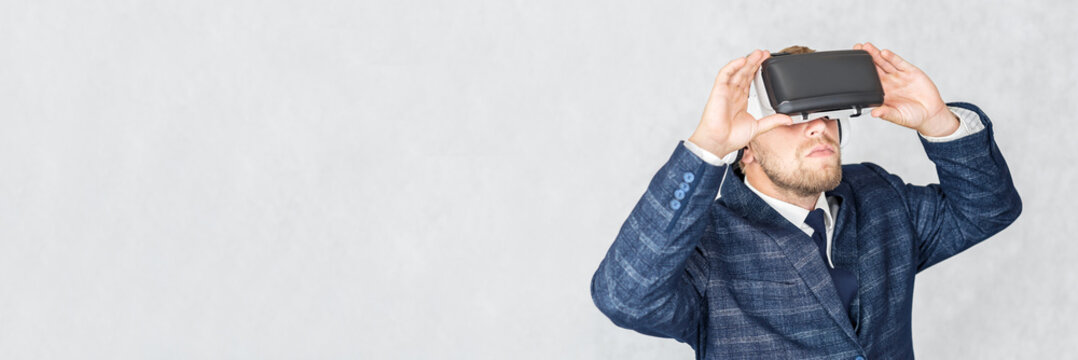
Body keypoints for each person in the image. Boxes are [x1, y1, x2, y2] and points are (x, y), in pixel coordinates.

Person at [590, 43, 1022, 359]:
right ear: (747, 147)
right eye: (796, 115)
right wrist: (707, 147)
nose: (818, 127)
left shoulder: (879, 198)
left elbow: (988, 209)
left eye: (827, 111)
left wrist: (938, 120)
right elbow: (623, 296)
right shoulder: (706, 246)